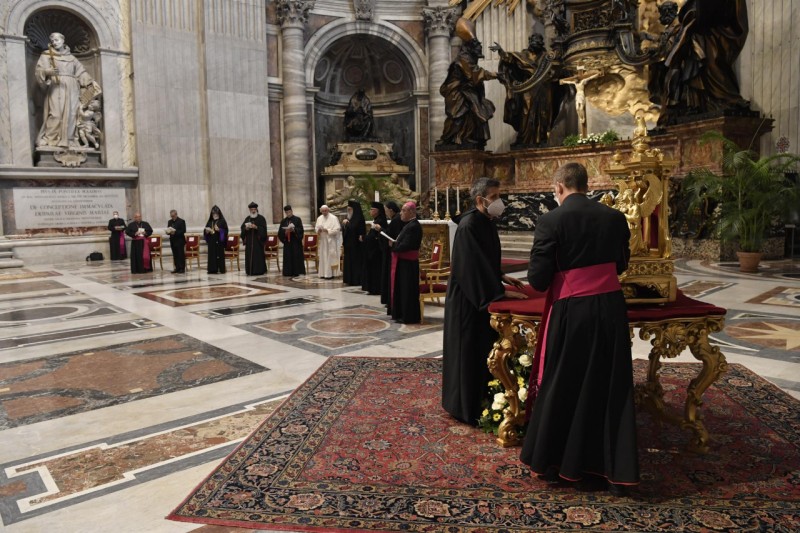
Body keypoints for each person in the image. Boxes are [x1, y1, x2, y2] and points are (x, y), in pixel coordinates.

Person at [519, 162, 638, 495]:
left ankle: (561, 463)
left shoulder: (551, 220)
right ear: (586, 185)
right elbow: (622, 264)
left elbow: (538, 280)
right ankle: (612, 467)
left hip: (573, 311)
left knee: (566, 381)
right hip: (611, 307)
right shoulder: (615, 218)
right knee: (609, 382)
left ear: (559, 187)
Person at [442, 178, 528, 425]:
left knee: (482, 348)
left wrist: (501, 276)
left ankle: (483, 398)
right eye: (494, 197)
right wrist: (499, 292)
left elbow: (483, 259)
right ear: (480, 200)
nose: (499, 201)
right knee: (467, 351)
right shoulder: (469, 225)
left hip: (479, 292)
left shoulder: (485, 221)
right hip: (468, 299)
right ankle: (464, 407)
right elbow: (469, 268)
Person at [491, 34, 563, 147]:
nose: (536, 43)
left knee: (544, 112)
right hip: (528, 87)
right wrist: (501, 52)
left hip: (544, 87)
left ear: (541, 43)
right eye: (534, 40)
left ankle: (542, 138)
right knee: (526, 111)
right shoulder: (523, 55)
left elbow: (555, 70)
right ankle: (525, 138)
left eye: (538, 41)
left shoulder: (546, 56)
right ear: (530, 41)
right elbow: (511, 59)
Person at [35, 32, 101, 148]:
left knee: (72, 114)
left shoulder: (72, 58)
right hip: (56, 87)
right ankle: (50, 138)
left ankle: (69, 139)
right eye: (52, 41)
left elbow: (81, 72)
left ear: (63, 40)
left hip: (72, 88)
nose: (54, 43)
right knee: (55, 114)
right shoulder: (46, 55)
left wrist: (90, 83)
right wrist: (47, 72)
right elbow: (39, 71)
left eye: (57, 40)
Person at [437, 30, 497, 149]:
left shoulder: (468, 59)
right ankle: (453, 138)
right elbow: (473, 73)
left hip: (467, 93)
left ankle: (467, 137)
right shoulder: (462, 60)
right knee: (460, 117)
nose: (479, 51)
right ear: (471, 48)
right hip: (457, 93)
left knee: (475, 113)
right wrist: (492, 74)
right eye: (478, 49)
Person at [388, 202, 422, 324]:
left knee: (408, 290)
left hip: (408, 265)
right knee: (403, 290)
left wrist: (394, 245)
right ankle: (402, 314)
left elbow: (407, 245)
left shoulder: (414, 226)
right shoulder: (409, 225)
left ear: (411, 212)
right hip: (404, 263)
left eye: (403, 210)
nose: (401, 213)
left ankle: (409, 316)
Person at [380, 201, 404, 306]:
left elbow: (392, 234)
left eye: (386, 210)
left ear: (391, 210)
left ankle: (391, 300)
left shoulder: (396, 219)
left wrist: (380, 229)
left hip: (393, 251)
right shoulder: (396, 219)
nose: (385, 213)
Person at [361, 201, 388, 295]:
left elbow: (377, 236)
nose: (370, 211)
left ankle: (376, 288)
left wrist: (365, 238)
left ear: (378, 211)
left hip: (376, 251)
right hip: (372, 250)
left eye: (372, 209)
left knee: (376, 270)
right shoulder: (376, 220)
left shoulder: (380, 221)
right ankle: (372, 288)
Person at [342, 200, 366, 286]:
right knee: (348, 262)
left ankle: (356, 280)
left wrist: (347, 224)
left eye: (350, 209)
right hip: (348, 245)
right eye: (348, 210)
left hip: (356, 246)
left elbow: (354, 229)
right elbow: (346, 230)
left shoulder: (359, 218)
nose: (348, 211)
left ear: (354, 210)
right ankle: (349, 279)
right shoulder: (349, 218)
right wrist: (344, 225)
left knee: (356, 263)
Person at [314, 205, 342, 279]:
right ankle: (323, 273)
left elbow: (337, 230)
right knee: (323, 257)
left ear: (328, 210)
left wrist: (328, 230)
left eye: (325, 211)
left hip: (331, 241)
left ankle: (331, 274)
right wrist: (318, 230)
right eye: (323, 211)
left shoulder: (333, 218)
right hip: (323, 241)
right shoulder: (319, 218)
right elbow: (316, 228)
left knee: (330, 257)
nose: (324, 212)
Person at [278, 205, 305, 277]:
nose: (288, 213)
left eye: (289, 212)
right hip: (287, 243)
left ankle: (297, 271)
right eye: (287, 212)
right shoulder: (283, 221)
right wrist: (285, 232)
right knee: (288, 257)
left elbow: (301, 230)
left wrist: (294, 230)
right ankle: (288, 272)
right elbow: (280, 232)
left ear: (292, 211)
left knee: (296, 256)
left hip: (295, 242)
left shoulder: (297, 219)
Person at [241, 202, 268, 276]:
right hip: (249, 242)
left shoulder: (261, 218)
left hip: (258, 242)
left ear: (256, 209)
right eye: (251, 209)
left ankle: (259, 270)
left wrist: (256, 227)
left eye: (254, 209)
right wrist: (246, 228)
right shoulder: (247, 218)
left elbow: (264, 230)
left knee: (258, 256)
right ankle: (250, 270)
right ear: (249, 210)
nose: (253, 211)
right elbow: (242, 228)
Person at [204, 205, 228, 274]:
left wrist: (219, 230)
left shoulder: (222, 221)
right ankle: (212, 269)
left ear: (219, 213)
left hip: (219, 242)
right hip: (211, 242)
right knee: (212, 256)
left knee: (219, 255)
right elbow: (205, 231)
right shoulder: (210, 222)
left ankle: (220, 269)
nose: (215, 215)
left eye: (216, 213)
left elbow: (226, 231)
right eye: (213, 213)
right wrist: (206, 231)